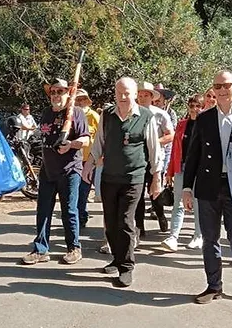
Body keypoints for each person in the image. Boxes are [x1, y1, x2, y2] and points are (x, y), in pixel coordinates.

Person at [182, 70, 232, 304]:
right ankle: (213, 285)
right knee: (210, 238)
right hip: (209, 185)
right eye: (217, 86)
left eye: (226, 85)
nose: (222, 90)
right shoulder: (205, 118)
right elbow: (193, 155)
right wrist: (187, 187)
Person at [82, 77, 163, 287]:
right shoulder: (107, 115)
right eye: (119, 93)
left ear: (135, 94)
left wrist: (156, 178)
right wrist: (89, 164)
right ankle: (117, 259)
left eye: (127, 93)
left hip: (133, 178)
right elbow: (99, 142)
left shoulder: (146, 116)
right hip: (109, 177)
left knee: (125, 221)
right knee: (110, 223)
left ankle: (127, 267)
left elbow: (154, 150)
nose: (123, 97)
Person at [22, 79, 89, 265]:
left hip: (70, 170)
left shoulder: (76, 113)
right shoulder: (46, 113)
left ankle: (74, 248)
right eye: (53, 92)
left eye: (60, 91)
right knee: (43, 210)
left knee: (69, 210)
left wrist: (70, 145)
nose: (56, 95)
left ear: (68, 93)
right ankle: (40, 249)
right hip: (48, 170)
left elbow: (85, 139)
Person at [163, 94, 204, 251]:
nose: (195, 109)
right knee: (178, 203)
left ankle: (198, 235)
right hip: (182, 167)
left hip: (200, 170)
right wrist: (170, 171)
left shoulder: (207, 125)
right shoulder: (181, 125)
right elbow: (175, 149)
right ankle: (173, 236)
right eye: (192, 106)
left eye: (198, 106)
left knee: (198, 203)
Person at [135, 82, 174, 237]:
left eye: (146, 95)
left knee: (154, 193)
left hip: (155, 160)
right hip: (137, 160)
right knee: (137, 193)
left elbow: (171, 135)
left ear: (152, 97)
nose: (143, 97)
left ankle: (161, 215)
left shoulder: (160, 114)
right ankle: (139, 227)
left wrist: (155, 143)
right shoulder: (133, 113)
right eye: (140, 95)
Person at [75, 88, 101, 228]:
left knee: (84, 190)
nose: (80, 102)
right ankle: (78, 215)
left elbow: (101, 138)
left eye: (82, 99)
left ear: (86, 101)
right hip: (73, 159)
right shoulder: (70, 115)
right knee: (74, 190)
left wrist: (99, 157)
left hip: (89, 160)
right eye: (77, 99)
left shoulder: (94, 117)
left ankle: (81, 215)